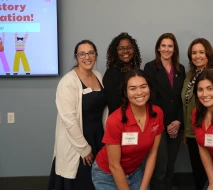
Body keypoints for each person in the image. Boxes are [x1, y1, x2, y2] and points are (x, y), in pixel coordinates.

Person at [48, 40, 108, 190]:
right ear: (76, 58)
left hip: (98, 138)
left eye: (90, 53)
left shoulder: (98, 75)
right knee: (81, 183)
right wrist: (83, 148)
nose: (87, 57)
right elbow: (69, 120)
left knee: (99, 181)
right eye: (82, 54)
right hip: (78, 141)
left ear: (96, 56)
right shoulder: (68, 82)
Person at [92, 69, 164, 190]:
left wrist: (144, 186)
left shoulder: (157, 113)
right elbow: (114, 165)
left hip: (135, 171)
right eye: (132, 88)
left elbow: (153, 153)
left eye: (143, 86)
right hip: (107, 174)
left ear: (149, 88)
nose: (139, 92)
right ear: (125, 92)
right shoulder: (115, 120)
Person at [144, 33, 186, 190]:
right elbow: (151, 97)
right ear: (158, 48)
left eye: (170, 46)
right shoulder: (150, 67)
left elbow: (183, 98)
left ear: (174, 49)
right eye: (163, 46)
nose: (166, 49)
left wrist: (178, 121)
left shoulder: (180, 69)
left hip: (176, 124)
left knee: (170, 167)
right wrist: (167, 123)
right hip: (159, 125)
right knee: (159, 168)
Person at [181, 38, 213, 190]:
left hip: (208, 132)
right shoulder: (190, 75)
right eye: (194, 53)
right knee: (198, 172)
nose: (197, 56)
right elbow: (186, 104)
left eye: (201, 52)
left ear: (208, 54)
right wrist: (186, 132)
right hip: (192, 132)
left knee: (209, 174)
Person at [103, 32, 142, 114]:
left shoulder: (136, 71)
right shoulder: (111, 74)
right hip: (122, 120)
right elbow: (114, 106)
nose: (126, 51)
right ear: (115, 51)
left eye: (129, 47)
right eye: (121, 48)